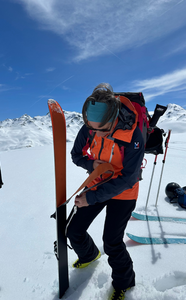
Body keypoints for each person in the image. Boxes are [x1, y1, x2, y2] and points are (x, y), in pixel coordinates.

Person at [67, 83, 144, 300]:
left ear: (114, 119)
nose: (95, 133)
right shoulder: (91, 127)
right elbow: (76, 154)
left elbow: (129, 178)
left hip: (124, 192)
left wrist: (91, 197)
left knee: (112, 241)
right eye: (92, 129)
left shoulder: (134, 135)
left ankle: (124, 284)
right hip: (98, 183)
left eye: (101, 130)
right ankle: (90, 254)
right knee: (74, 230)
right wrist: (92, 166)